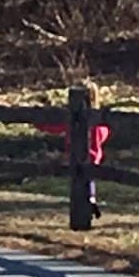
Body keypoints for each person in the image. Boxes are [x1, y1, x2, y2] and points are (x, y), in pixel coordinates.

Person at [36, 84, 112, 219]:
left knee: (79, 180)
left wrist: (41, 124)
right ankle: (91, 200)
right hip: (94, 156)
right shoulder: (99, 121)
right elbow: (104, 133)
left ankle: (85, 206)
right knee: (89, 179)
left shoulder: (76, 119)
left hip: (78, 155)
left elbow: (58, 128)